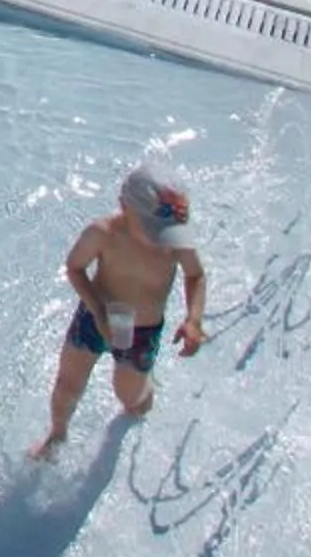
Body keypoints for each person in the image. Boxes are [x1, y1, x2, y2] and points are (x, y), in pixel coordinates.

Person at [29, 164, 208, 460]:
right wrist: (97, 311)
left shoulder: (175, 242)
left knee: (132, 401)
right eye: (154, 228)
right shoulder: (103, 233)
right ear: (124, 206)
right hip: (94, 316)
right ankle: (57, 434)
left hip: (142, 332)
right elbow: (75, 268)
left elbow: (195, 275)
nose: (161, 237)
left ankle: (145, 387)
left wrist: (194, 319)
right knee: (67, 383)